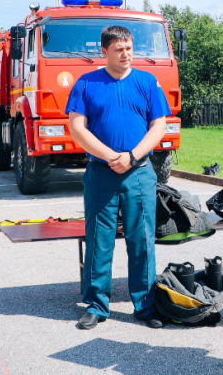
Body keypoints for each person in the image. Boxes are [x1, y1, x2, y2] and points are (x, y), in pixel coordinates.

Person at [66, 26, 171, 330]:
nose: (126, 55)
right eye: (118, 49)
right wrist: (111, 156)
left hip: (139, 173)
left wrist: (132, 156)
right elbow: (77, 128)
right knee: (100, 240)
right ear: (104, 52)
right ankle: (97, 305)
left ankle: (146, 305)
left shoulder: (147, 82)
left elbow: (158, 126)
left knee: (142, 240)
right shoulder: (87, 84)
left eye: (129, 48)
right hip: (101, 174)